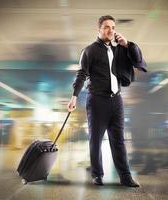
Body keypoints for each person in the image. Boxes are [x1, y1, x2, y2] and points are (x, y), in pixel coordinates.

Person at [67, 15, 147, 186]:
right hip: (97, 101)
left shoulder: (119, 49)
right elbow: (81, 74)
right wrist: (74, 97)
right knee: (95, 140)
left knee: (118, 140)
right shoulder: (89, 50)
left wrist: (127, 44)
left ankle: (125, 177)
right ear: (99, 29)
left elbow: (138, 60)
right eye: (106, 27)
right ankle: (97, 174)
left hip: (116, 101)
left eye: (113, 27)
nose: (110, 30)